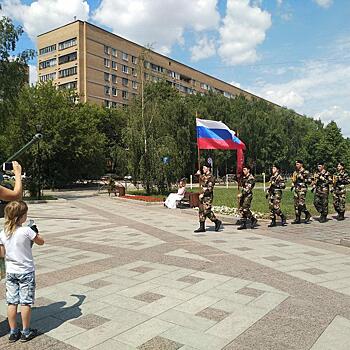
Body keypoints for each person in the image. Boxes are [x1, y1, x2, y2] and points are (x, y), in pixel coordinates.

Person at [0, 201, 44, 343]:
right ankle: (26, 331)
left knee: (12, 302)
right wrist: (35, 231)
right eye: (25, 214)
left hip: (11, 272)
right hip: (26, 272)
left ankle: (13, 332)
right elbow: (41, 242)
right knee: (25, 303)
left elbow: (2, 253)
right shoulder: (27, 230)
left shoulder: (3, 232)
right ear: (21, 217)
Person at [194, 164, 221, 233]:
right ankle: (202, 227)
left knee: (207, 211)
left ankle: (216, 221)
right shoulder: (204, 176)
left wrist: (203, 194)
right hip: (202, 196)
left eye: (204, 168)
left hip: (207, 196)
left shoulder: (211, 177)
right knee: (201, 210)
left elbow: (210, 189)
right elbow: (199, 179)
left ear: (208, 168)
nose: (203, 169)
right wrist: (198, 174)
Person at [291, 160, 312, 224]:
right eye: (296, 164)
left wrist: (303, 178)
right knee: (296, 204)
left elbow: (309, 181)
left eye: (297, 164)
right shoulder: (295, 172)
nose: (296, 165)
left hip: (302, 189)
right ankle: (297, 218)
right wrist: (293, 183)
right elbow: (294, 179)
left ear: (301, 164)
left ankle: (307, 214)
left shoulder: (305, 172)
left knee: (301, 204)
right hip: (296, 189)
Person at [237, 165, 258, 230]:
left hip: (248, 195)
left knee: (245, 209)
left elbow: (248, 188)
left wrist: (241, 194)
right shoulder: (244, 177)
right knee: (241, 209)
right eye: (243, 170)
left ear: (248, 170)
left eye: (245, 169)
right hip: (243, 195)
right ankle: (243, 224)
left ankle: (253, 219)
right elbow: (242, 184)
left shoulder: (251, 178)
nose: (243, 171)